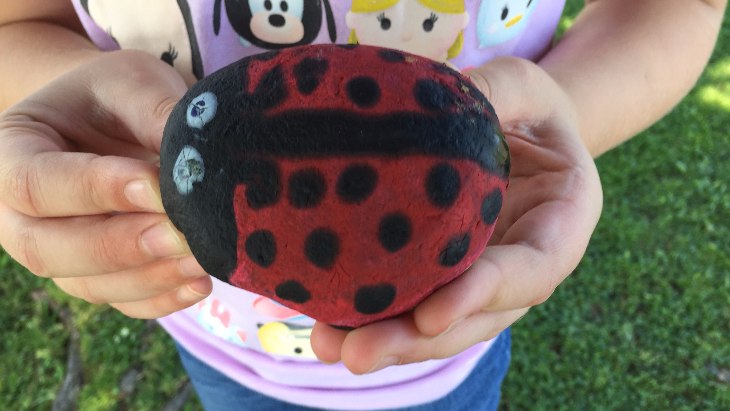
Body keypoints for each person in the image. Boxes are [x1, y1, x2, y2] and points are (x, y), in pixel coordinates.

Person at [0, 0, 725, 410]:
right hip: (218, 342)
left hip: (446, 353)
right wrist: (70, 115)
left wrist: (554, 120)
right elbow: (18, 22)